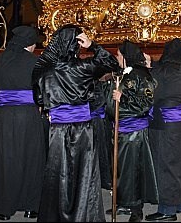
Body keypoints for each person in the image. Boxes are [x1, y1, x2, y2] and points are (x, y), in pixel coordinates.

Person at [34, 24, 119, 222]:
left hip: (58, 129)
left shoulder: (44, 70)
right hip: (82, 129)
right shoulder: (83, 67)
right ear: (76, 44)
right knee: (84, 174)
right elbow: (112, 64)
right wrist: (93, 45)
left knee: (58, 173)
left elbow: (39, 98)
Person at [0, 25, 47, 221]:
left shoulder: (2, 59)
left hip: (5, 116)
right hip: (28, 115)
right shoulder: (36, 61)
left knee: (6, 160)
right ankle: (31, 206)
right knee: (32, 159)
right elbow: (44, 89)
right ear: (30, 44)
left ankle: (4, 207)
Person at [146, 38, 181, 222]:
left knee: (166, 166)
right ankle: (179, 204)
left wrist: (150, 68)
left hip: (168, 126)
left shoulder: (163, 71)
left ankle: (167, 210)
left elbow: (153, 94)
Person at [107, 40, 158, 223]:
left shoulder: (141, 75)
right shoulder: (125, 74)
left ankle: (136, 208)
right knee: (121, 169)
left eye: (119, 55)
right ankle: (122, 201)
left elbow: (146, 103)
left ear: (126, 57)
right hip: (120, 129)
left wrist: (123, 98)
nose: (117, 58)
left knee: (133, 170)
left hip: (133, 132)